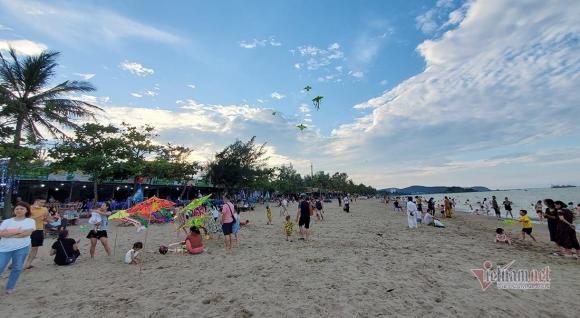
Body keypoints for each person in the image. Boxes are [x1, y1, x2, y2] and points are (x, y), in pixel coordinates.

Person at [0, 202, 36, 294]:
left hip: (22, 247)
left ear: (26, 210)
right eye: (17, 209)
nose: (19, 210)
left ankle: (10, 287)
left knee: (17, 267)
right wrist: (18, 232)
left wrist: (9, 234)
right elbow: (1, 233)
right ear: (14, 210)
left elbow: (27, 233)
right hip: (5, 248)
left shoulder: (30, 221)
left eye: (22, 209)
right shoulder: (7, 221)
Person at [23, 198, 49, 270]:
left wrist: (45, 219)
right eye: (41, 202)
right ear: (36, 201)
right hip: (27, 229)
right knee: (22, 247)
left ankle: (28, 264)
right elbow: (24, 218)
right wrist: (37, 216)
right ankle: (15, 263)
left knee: (35, 248)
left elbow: (46, 218)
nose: (43, 204)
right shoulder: (28, 208)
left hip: (39, 230)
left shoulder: (44, 209)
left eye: (44, 203)